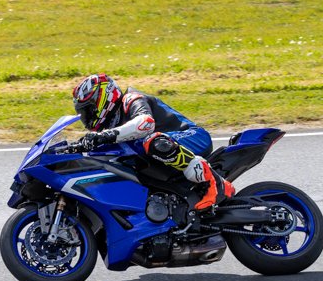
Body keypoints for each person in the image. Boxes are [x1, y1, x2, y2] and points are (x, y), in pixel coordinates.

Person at [70, 74, 235, 211]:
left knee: (153, 141)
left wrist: (105, 135)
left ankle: (214, 183)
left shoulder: (131, 99)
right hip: (167, 154)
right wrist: (74, 147)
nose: (87, 117)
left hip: (193, 137)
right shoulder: (110, 125)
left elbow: (145, 123)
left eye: (88, 110)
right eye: (83, 113)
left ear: (104, 98)